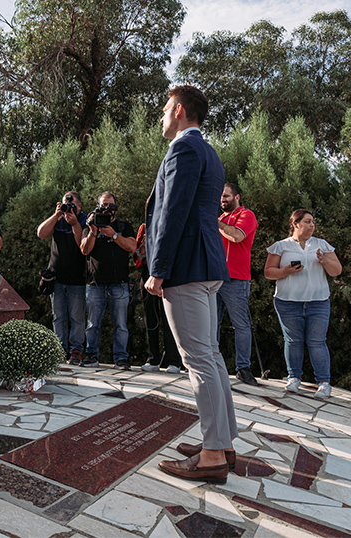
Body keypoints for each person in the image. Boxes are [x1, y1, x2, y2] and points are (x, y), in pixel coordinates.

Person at [145, 85, 235, 484]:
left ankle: (214, 455)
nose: (161, 117)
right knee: (210, 356)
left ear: (180, 111)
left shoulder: (183, 149)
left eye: (165, 110)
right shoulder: (209, 152)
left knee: (199, 360)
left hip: (185, 267)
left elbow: (172, 212)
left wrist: (158, 268)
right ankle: (223, 443)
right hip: (206, 264)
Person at [264, 209, 342, 399]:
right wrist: (286, 272)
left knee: (317, 342)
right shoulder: (280, 246)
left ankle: (324, 383)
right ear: (295, 224)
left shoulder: (322, 245)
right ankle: (294, 378)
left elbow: (337, 271)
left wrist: (324, 260)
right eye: (307, 221)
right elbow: (268, 272)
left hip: (318, 302)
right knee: (293, 341)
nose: (312, 225)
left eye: (313, 222)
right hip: (287, 303)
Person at [81, 192, 136, 370]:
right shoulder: (90, 225)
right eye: (104, 205)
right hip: (95, 283)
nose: (107, 209)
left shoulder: (123, 226)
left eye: (111, 206)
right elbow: (84, 250)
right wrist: (93, 232)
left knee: (120, 324)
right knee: (92, 323)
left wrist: (113, 235)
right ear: (97, 206)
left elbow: (132, 247)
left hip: (118, 282)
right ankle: (91, 355)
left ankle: (121, 358)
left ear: (116, 208)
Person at [36, 191, 87, 364]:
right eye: (66, 204)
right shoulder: (58, 218)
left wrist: (74, 225)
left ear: (79, 206)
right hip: (56, 277)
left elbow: (83, 245)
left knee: (77, 317)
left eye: (72, 205)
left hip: (77, 278)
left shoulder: (84, 220)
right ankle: (59, 350)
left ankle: (76, 350)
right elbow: (41, 233)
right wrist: (56, 214)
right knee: (58, 316)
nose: (69, 208)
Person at [215, 183, 258, 386]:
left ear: (237, 197)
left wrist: (216, 224)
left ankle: (243, 367)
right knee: (210, 324)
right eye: (220, 196)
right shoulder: (221, 218)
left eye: (226, 196)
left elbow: (237, 236)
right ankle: (212, 364)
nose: (222, 199)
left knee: (240, 325)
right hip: (214, 278)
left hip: (236, 279)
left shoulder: (246, 215)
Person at [136, 223, 182, 374]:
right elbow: (138, 255)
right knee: (150, 317)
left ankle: (174, 360)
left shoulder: (173, 224)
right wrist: (145, 241)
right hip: (148, 272)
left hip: (169, 273)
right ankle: (153, 358)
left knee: (170, 318)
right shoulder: (145, 227)